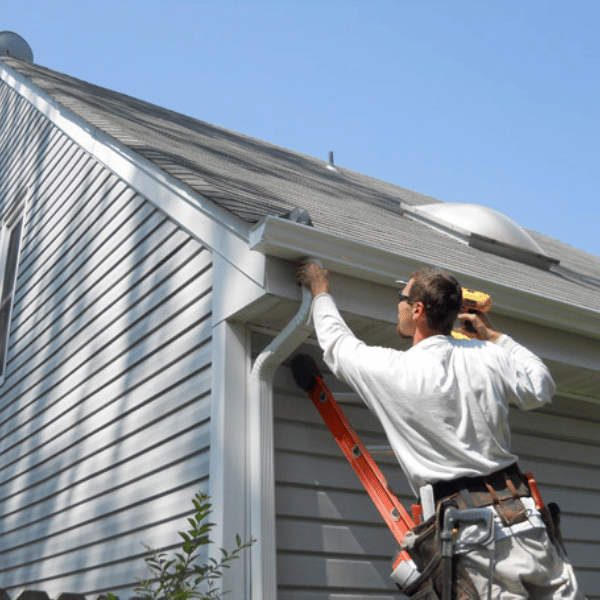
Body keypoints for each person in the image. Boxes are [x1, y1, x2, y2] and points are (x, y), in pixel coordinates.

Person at [297, 261, 585, 600]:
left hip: (475, 540)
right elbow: (541, 385)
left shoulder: (396, 370)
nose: (398, 304)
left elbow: (337, 344)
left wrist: (319, 289)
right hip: (527, 524)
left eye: (401, 298)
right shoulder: (489, 355)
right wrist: (495, 337)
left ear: (417, 310)